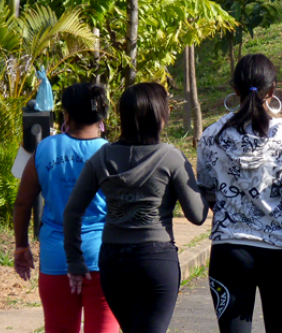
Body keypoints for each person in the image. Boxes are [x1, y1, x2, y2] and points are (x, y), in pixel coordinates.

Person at [63, 82, 209, 333]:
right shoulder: (171, 157)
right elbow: (197, 215)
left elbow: (72, 212)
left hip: (113, 261)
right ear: (158, 116)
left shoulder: (102, 157)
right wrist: (203, 186)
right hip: (155, 261)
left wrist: (75, 261)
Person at [197, 54, 282, 333]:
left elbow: (208, 192)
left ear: (235, 90)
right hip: (280, 255)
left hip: (229, 252)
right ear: (272, 90)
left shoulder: (212, 135)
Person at [13, 83, 119, 333]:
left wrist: (21, 247)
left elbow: (22, 203)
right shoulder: (111, 153)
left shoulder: (46, 149)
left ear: (67, 115)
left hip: (56, 258)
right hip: (102, 258)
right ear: (102, 115)